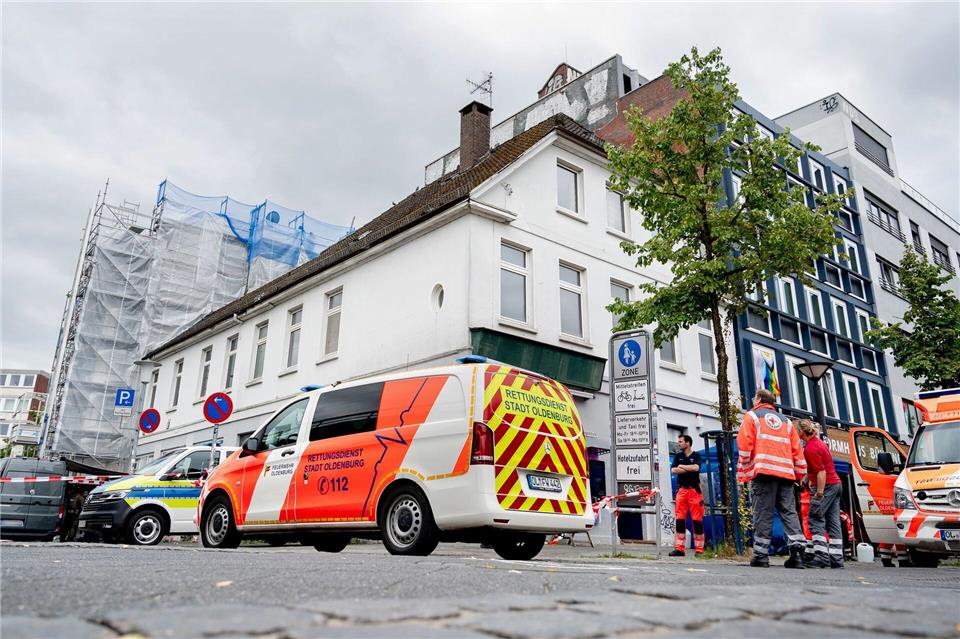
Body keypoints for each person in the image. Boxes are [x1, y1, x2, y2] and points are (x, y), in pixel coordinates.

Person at [737, 388, 808, 568]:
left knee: (763, 512)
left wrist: (744, 467)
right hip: (786, 473)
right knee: (789, 512)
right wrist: (800, 475)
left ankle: (761, 555)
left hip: (764, 472)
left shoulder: (752, 417)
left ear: (759, 399)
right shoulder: (787, 422)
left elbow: (745, 445)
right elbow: (797, 451)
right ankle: (797, 554)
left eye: (754, 397)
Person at [796, 419, 843, 568]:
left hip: (826, 486)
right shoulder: (819, 443)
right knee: (833, 522)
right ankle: (836, 558)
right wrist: (805, 478)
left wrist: (819, 494)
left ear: (801, 432)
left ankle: (821, 556)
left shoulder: (810, 448)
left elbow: (821, 472)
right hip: (836, 484)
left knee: (815, 518)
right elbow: (818, 468)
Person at [669, 434, 704, 557]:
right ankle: (679, 549)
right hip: (682, 491)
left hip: (694, 491)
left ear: (688, 443)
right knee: (680, 520)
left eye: (680, 441)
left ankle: (699, 550)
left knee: (697, 520)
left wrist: (682, 466)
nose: (678, 443)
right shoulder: (678, 456)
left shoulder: (696, 455)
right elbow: (673, 470)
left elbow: (696, 468)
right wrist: (689, 468)